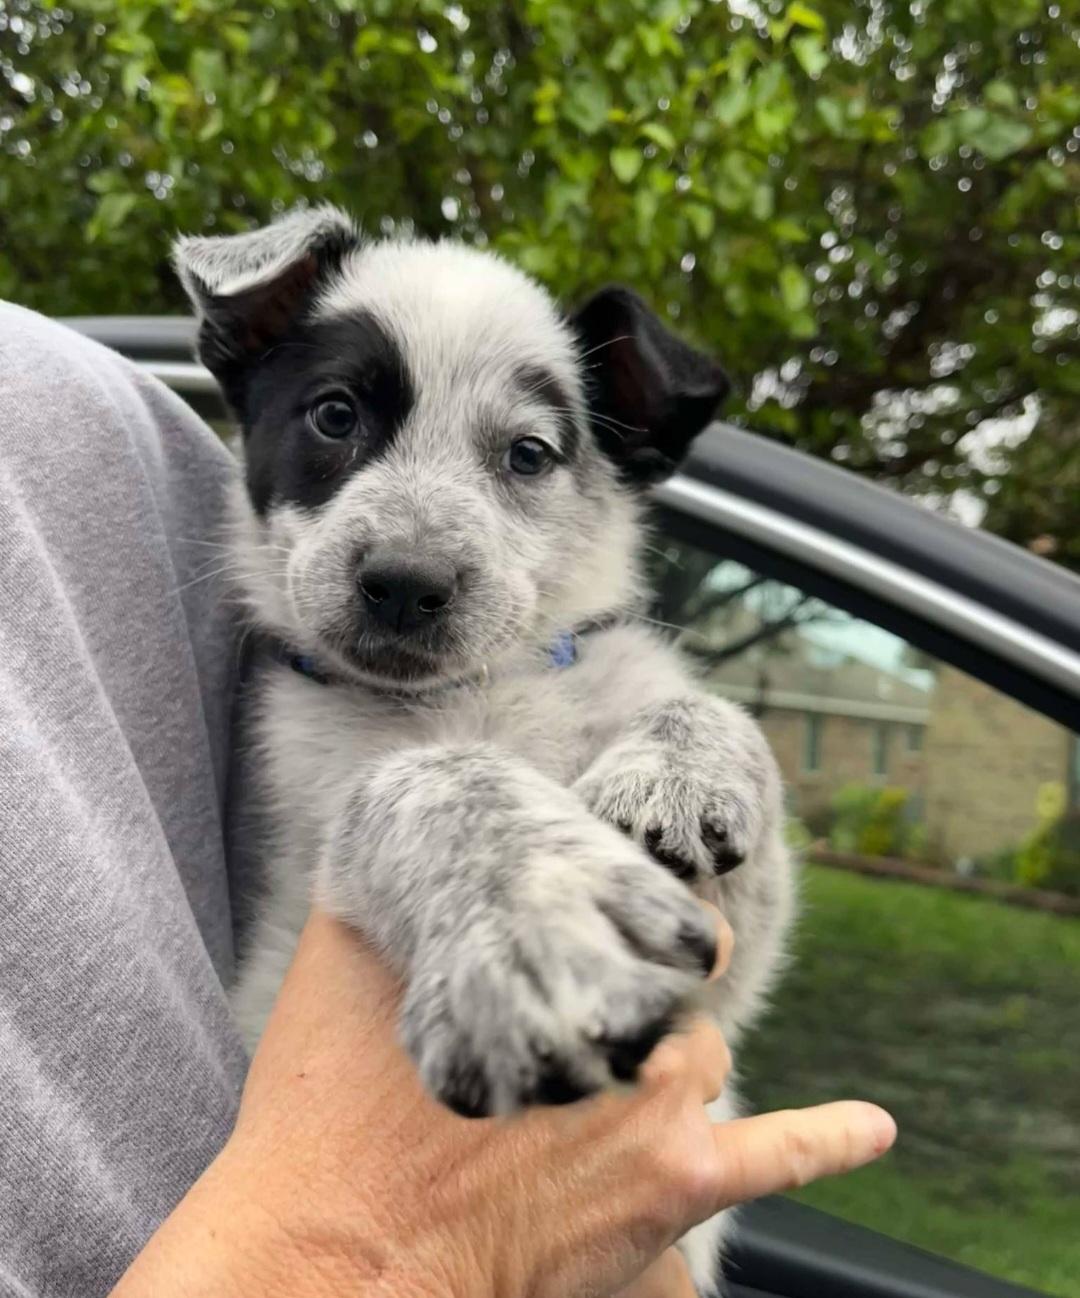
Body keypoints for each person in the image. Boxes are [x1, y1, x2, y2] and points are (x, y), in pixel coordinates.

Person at [0, 302, 895, 1298]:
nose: (414, 554)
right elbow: (372, 853)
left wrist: (713, 749)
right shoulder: (299, 702)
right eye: (338, 416)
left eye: (523, 454)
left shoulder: (628, 683)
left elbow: (711, 971)